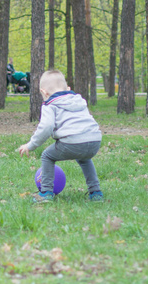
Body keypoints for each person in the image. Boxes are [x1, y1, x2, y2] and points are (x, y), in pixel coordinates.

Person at [18, 70, 103, 203]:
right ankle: (96, 192)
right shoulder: (79, 100)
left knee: (47, 156)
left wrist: (31, 145)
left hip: (72, 141)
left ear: (44, 92)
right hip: (94, 140)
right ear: (68, 88)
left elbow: (46, 128)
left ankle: (46, 192)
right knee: (84, 158)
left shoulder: (50, 104)